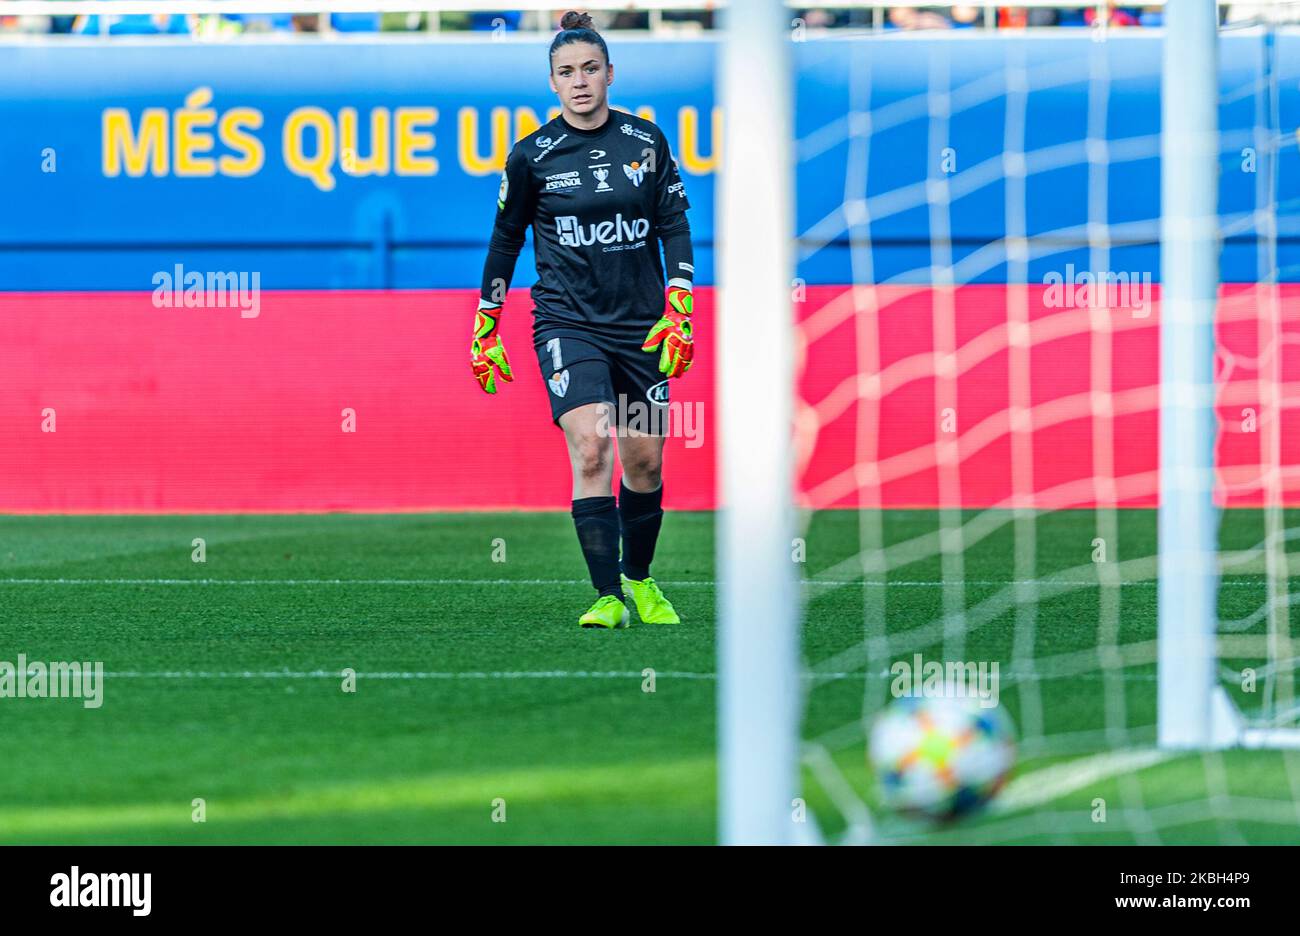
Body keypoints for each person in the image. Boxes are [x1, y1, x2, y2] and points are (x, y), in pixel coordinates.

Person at [472, 10, 696, 629]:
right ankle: (605, 596)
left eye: (590, 68)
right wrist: (486, 319)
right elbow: (505, 240)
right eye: (566, 72)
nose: (579, 81)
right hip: (569, 323)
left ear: (610, 74)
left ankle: (640, 580)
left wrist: (680, 300)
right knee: (592, 445)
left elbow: (673, 222)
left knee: (644, 461)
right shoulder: (532, 157)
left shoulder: (646, 142)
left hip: (645, 325)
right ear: (552, 82)